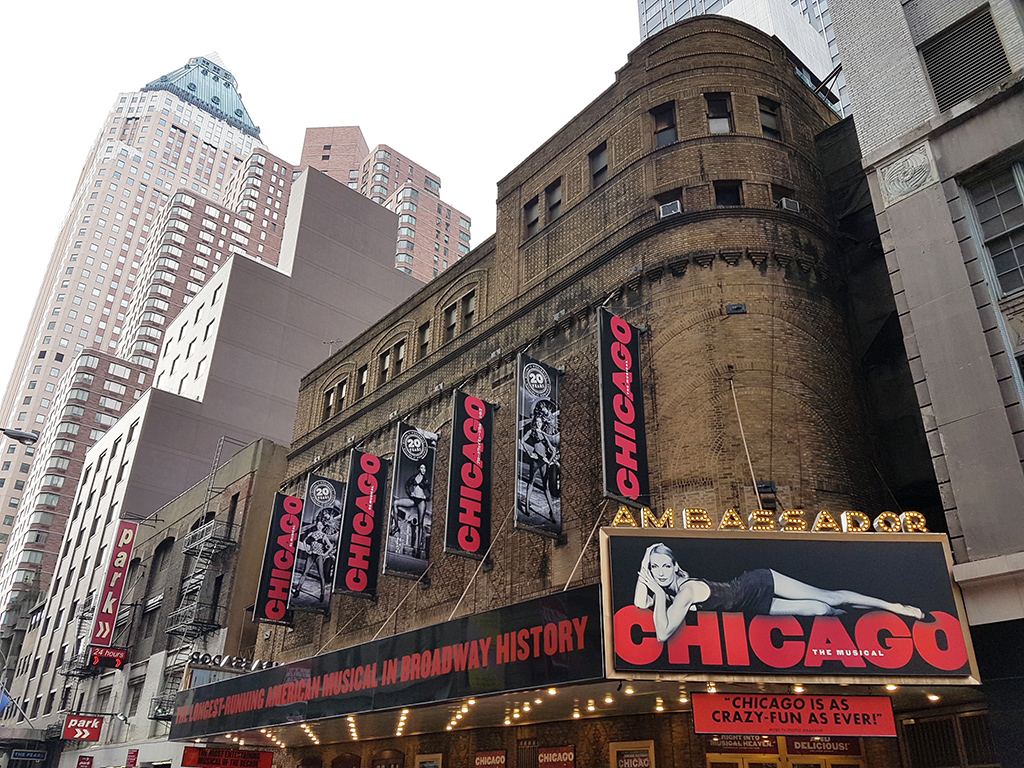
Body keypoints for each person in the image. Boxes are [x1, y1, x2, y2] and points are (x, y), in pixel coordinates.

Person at [633, 542, 925, 643]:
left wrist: (658, 594)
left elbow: (662, 633)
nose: (660, 572)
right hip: (752, 606)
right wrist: (646, 574)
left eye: (664, 565)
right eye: (654, 567)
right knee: (821, 611)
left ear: (674, 566)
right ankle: (870, 615)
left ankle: (895, 607)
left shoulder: (683, 592)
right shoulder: (670, 590)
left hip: (755, 584)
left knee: (829, 597)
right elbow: (638, 602)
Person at [519, 401, 560, 521]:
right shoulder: (532, 432)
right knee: (530, 482)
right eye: (536, 422)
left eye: (539, 422)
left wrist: (549, 461)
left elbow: (552, 450)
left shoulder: (544, 435)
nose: (538, 424)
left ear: (542, 423)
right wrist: (530, 453)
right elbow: (522, 440)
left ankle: (552, 512)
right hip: (535, 461)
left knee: (546, 486)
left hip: (543, 462)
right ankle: (526, 506)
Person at [291, 510, 338, 603]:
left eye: (321, 525)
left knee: (321, 575)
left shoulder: (324, 536)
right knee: (305, 572)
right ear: (316, 524)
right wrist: (307, 549)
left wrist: (325, 554)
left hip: (319, 556)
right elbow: (304, 541)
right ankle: (297, 590)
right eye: (318, 524)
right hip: (311, 555)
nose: (319, 526)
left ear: (323, 526)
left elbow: (331, 546)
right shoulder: (311, 534)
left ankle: (322, 594)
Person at [393, 463, 431, 558]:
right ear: (419, 469)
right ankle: (397, 526)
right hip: (413, 499)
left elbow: (431, 493)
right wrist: (410, 494)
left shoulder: (426, 480)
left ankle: (417, 549)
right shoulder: (413, 477)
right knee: (396, 503)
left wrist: (426, 497)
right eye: (422, 468)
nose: (423, 470)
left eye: (425, 468)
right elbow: (407, 485)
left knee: (420, 524)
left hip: (421, 501)